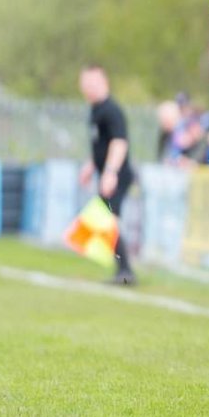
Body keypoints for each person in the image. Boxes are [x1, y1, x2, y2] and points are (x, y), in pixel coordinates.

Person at [78, 65, 136, 285]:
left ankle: (126, 271)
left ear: (103, 82)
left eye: (90, 83)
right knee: (104, 220)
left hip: (118, 175)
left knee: (109, 220)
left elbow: (119, 142)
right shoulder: (95, 110)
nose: (86, 88)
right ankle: (123, 270)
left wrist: (110, 172)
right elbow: (101, 145)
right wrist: (91, 166)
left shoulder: (111, 110)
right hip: (107, 173)